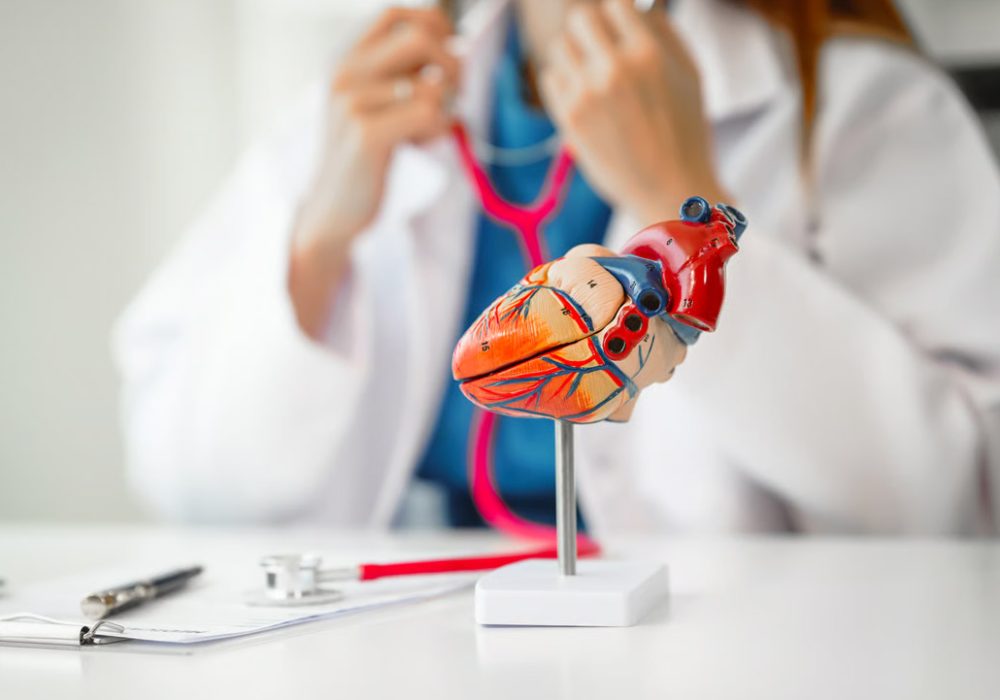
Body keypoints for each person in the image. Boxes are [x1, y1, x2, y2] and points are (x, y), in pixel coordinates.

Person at [114, 0, 1000, 534]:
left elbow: (964, 503)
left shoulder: (858, 107)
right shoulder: (357, 108)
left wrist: (684, 205)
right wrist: (318, 239)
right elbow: (183, 478)